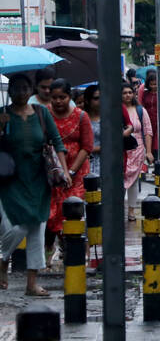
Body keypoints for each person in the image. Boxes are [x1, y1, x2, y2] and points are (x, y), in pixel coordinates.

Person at [0, 74, 70, 296]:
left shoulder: (41, 113)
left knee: (38, 229)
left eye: (24, 88)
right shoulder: (3, 115)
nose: (20, 92)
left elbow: (57, 141)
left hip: (39, 179)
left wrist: (65, 170)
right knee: (16, 227)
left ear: (31, 91)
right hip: (11, 180)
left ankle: (32, 283)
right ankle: (2, 259)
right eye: (16, 88)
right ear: (9, 91)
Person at [45, 80, 94, 259]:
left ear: (69, 97)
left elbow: (87, 147)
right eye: (54, 98)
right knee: (52, 214)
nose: (58, 101)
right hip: (53, 173)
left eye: (62, 97)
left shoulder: (81, 116)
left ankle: (74, 250)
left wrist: (71, 171)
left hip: (77, 173)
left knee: (73, 211)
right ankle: (52, 246)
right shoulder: (45, 115)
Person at [123, 81, 153, 221]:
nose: (127, 95)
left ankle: (131, 211)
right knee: (121, 180)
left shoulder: (140, 110)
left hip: (137, 150)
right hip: (122, 150)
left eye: (130, 92)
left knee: (134, 182)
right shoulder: (116, 110)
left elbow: (147, 131)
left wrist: (148, 151)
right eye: (124, 93)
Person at [139, 69, 159, 158]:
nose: (154, 86)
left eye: (155, 84)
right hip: (147, 120)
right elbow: (141, 105)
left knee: (157, 143)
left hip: (158, 121)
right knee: (148, 139)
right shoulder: (145, 93)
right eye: (152, 84)